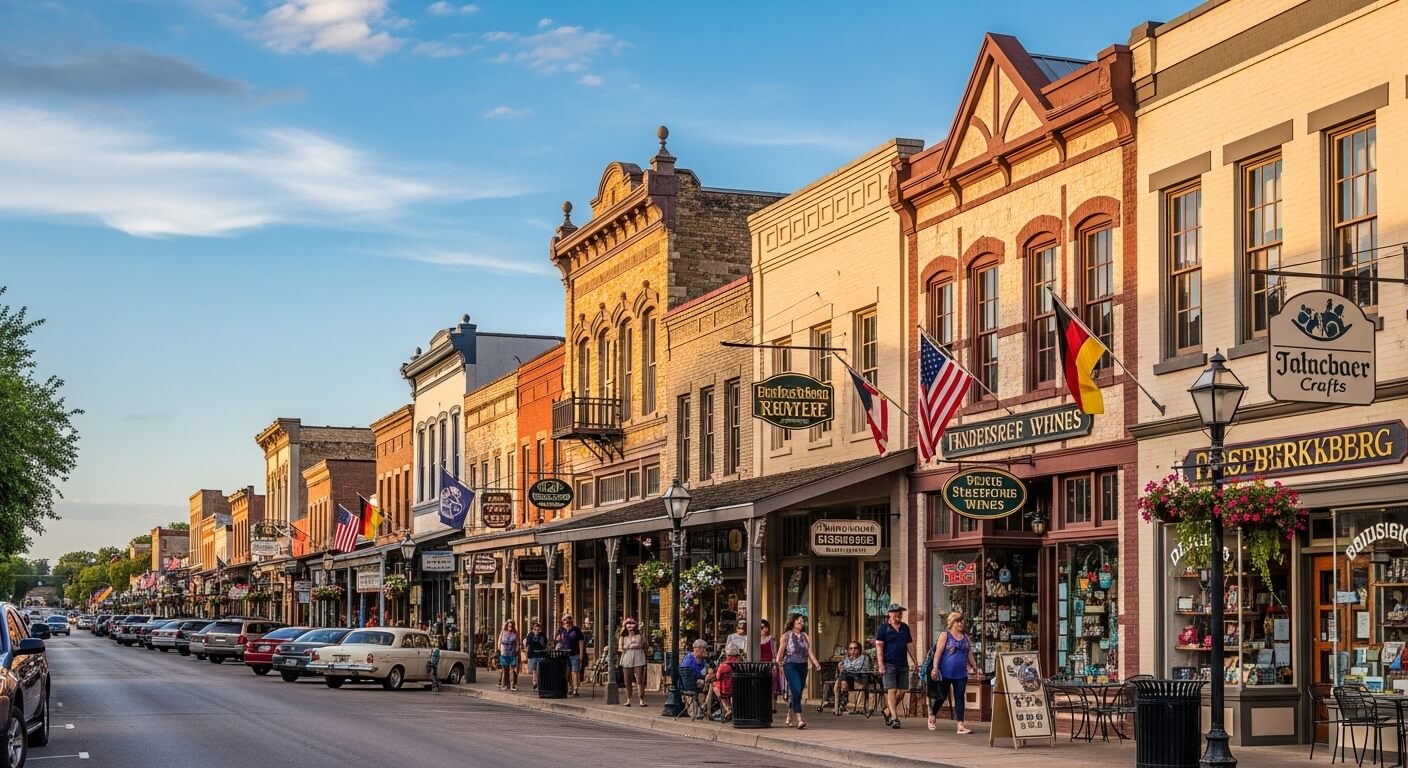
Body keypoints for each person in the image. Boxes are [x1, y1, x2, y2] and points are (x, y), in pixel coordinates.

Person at [925, 611, 978, 735]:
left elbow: (969, 654)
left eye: (962, 621)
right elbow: (938, 653)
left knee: (960, 697)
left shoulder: (965, 638)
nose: (961, 623)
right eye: (958, 621)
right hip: (945, 672)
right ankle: (932, 713)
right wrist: (935, 667)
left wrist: (975, 667)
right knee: (941, 696)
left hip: (961, 674)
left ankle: (960, 725)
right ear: (952, 623)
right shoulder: (945, 635)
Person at [875, 603, 917, 729]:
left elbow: (909, 645)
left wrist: (915, 662)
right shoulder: (883, 628)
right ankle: (894, 717)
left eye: (900, 612)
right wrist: (881, 665)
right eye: (895, 612)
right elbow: (879, 647)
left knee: (902, 691)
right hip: (889, 663)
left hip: (903, 663)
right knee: (891, 690)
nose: (898, 614)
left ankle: (887, 710)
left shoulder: (905, 627)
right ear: (889, 614)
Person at [777, 613, 821, 729]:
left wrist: (816, 663)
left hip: (803, 665)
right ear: (792, 623)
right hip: (790, 664)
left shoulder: (805, 636)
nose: (800, 624)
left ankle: (790, 714)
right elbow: (780, 652)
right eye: (798, 622)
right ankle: (800, 719)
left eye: (802, 622)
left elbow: (809, 651)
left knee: (798, 692)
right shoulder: (786, 636)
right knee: (796, 688)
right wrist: (778, 664)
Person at [835, 641, 872, 716]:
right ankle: (843, 704)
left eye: (855, 648)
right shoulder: (846, 658)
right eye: (851, 649)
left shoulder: (864, 658)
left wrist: (846, 667)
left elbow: (860, 668)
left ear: (859, 649)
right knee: (843, 679)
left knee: (844, 676)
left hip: (859, 678)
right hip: (847, 679)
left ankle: (842, 704)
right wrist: (843, 668)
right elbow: (842, 668)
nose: (853, 651)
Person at [618, 617, 648, 707]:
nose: (630, 626)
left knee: (639, 680)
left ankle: (641, 699)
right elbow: (619, 648)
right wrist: (625, 647)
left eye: (632, 623)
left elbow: (646, 645)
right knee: (627, 680)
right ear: (625, 626)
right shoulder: (623, 637)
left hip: (639, 658)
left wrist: (642, 645)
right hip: (627, 658)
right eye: (628, 624)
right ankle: (628, 700)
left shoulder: (640, 636)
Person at [679, 639, 713, 718]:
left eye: (705, 648)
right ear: (697, 648)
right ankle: (705, 707)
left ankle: (706, 707)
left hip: (700, 681)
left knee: (712, 685)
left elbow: (705, 670)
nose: (705, 650)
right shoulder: (689, 659)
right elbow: (688, 674)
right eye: (704, 648)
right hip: (690, 683)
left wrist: (708, 671)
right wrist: (703, 674)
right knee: (708, 685)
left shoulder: (703, 660)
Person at [557, 614, 586, 696]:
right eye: (565, 622)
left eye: (569, 622)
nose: (567, 624)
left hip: (574, 653)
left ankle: (575, 689)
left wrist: (581, 654)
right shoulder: (562, 631)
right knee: (567, 672)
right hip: (565, 654)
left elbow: (581, 642)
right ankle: (569, 687)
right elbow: (557, 640)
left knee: (575, 671)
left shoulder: (576, 630)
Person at [710, 646, 740, 722]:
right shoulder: (739, 664)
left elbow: (718, 676)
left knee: (714, 686)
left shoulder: (723, 665)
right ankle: (729, 710)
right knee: (727, 695)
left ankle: (728, 710)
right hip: (737, 688)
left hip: (725, 689)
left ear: (727, 654)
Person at [758, 619, 780, 708]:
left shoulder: (771, 639)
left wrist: (775, 664)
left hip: (770, 664)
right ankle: (763, 703)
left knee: (773, 684)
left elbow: (774, 652)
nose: (761, 629)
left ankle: (773, 705)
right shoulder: (756, 640)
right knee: (761, 684)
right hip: (760, 665)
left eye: (762, 627)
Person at [524, 621, 548, 691]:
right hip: (532, 654)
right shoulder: (530, 635)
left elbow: (545, 645)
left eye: (538, 629)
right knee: (533, 670)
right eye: (535, 629)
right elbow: (527, 645)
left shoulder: (542, 635)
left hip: (540, 654)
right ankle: (535, 683)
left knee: (538, 669)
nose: (536, 631)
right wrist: (526, 654)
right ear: (533, 629)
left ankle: (537, 684)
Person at [498, 619, 521, 691]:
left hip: (512, 652)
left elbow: (517, 642)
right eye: (508, 626)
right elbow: (499, 641)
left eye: (511, 626)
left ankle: (512, 685)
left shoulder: (515, 633)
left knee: (512, 669)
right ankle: (504, 685)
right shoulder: (503, 632)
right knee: (505, 669)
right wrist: (499, 649)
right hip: (504, 652)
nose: (510, 628)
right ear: (506, 626)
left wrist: (517, 650)